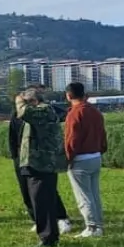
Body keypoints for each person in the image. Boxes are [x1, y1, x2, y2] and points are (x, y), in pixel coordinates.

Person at [8, 88, 73, 235]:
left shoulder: (44, 110)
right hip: (33, 162)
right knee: (37, 198)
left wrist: (19, 100)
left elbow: (25, 113)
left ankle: (49, 234)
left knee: (43, 198)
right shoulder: (37, 112)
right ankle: (45, 231)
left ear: (34, 101)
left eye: (26, 102)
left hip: (43, 162)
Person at [64, 82, 108, 238]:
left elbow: (72, 139)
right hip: (95, 155)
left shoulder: (74, 113)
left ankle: (92, 226)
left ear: (68, 96)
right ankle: (99, 224)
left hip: (80, 159)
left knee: (83, 195)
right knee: (94, 194)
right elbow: (102, 133)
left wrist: (67, 158)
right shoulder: (95, 111)